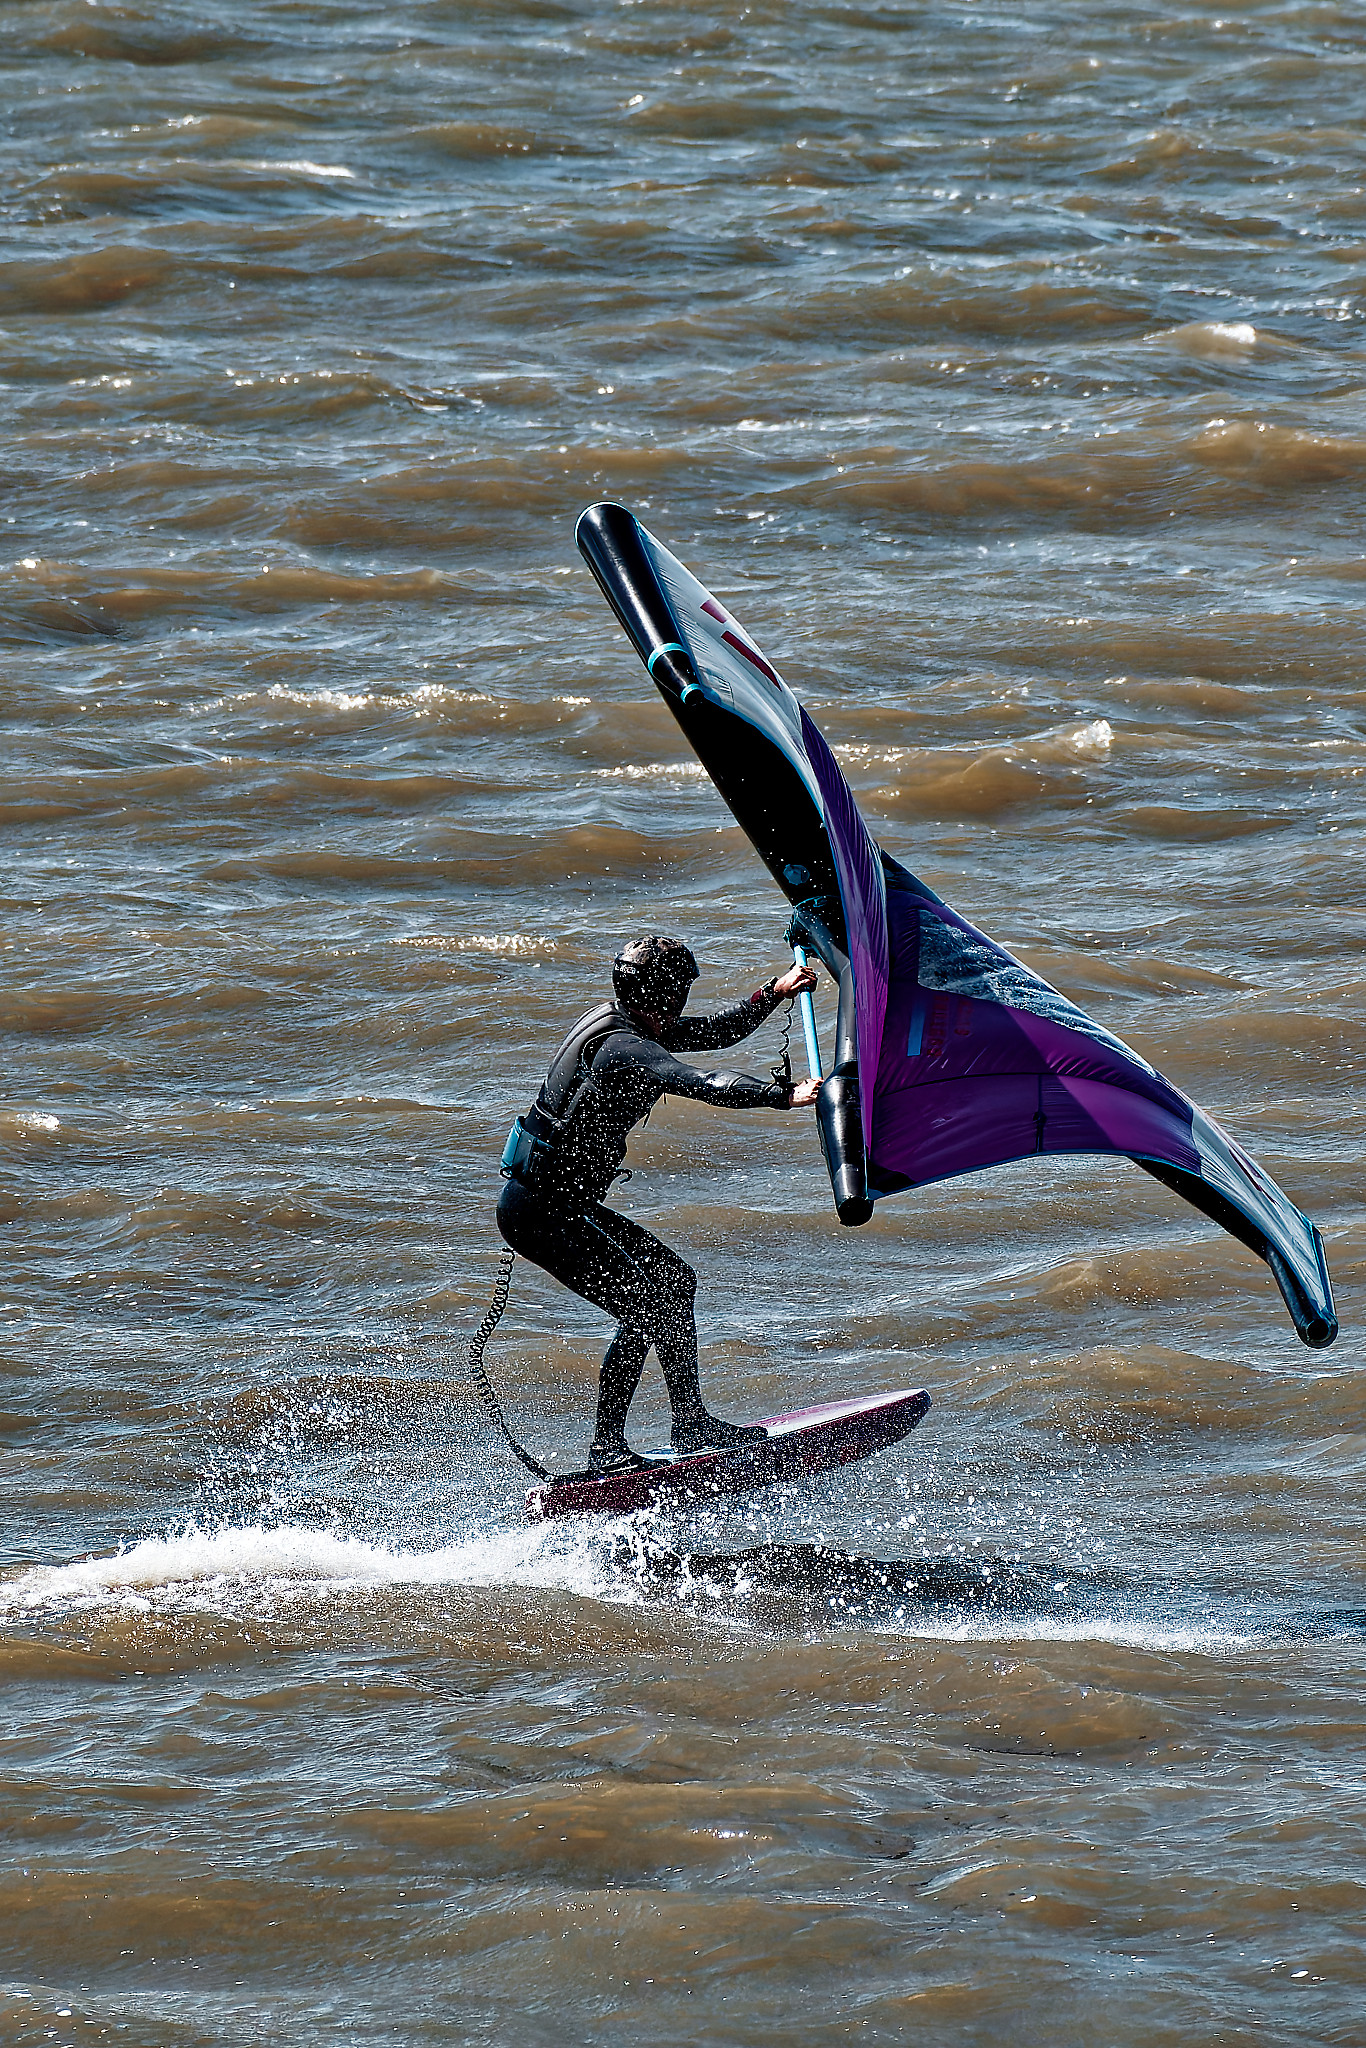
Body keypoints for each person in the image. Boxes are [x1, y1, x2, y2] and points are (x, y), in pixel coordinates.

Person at [496, 934, 821, 1475]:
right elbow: (700, 1080)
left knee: (674, 1285)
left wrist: (774, 992)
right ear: (662, 995)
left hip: (557, 1205)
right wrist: (784, 1096)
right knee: (648, 1306)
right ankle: (608, 1449)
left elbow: (713, 1034)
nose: (683, 1006)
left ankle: (690, 1420)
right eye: (678, 993)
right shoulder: (623, 1049)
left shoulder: (624, 1025)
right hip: (542, 1213)